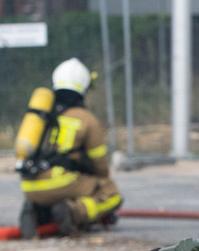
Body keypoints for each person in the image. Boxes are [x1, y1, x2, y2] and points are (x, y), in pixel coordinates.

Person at [15, 57, 122, 238]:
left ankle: (36, 211)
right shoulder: (86, 118)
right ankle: (73, 211)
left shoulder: (43, 115)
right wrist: (96, 182)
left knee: (60, 189)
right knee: (112, 194)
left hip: (29, 187)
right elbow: (101, 166)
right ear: (83, 89)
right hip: (62, 183)